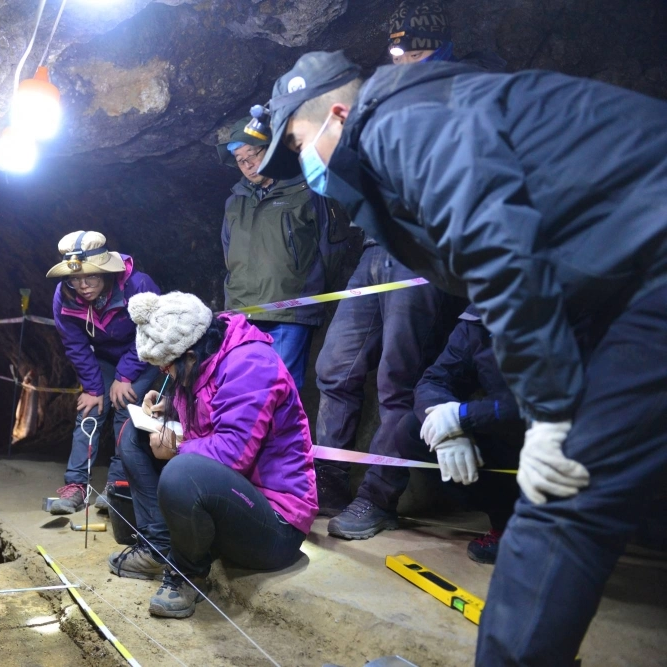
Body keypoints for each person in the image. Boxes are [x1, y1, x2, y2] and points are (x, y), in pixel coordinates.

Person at [258, 49, 667, 667]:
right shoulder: (433, 110)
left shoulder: (400, 122)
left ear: (337, 115)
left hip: (652, 260)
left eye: (298, 140)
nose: (302, 161)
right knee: (574, 499)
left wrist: (552, 417)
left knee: (563, 497)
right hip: (632, 269)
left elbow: (499, 245)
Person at [259, 55, 462, 535]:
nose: (300, 151)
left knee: (399, 380)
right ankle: (328, 478)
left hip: (416, 256)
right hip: (374, 250)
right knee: (334, 367)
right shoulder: (357, 150)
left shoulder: (407, 120)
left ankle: (379, 498)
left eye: (296, 139)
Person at [109, 291, 317, 619]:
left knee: (181, 471)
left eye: (168, 367)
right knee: (135, 434)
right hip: (234, 498)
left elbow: (232, 454)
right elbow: (209, 416)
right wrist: (170, 412)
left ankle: (188, 573)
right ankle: (158, 547)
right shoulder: (207, 358)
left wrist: (175, 445)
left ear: (190, 355)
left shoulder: (250, 364)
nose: (166, 374)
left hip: (275, 524)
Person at [216, 116, 352, 390]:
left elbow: (333, 248)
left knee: (281, 393)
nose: (248, 164)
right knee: (242, 393)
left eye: (253, 154)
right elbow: (228, 253)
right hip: (242, 315)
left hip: (289, 313)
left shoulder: (308, 190)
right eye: (240, 160)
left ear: (273, 149)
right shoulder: (234, 203)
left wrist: (308, 292)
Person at [400, 305, 524, 564]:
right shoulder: (477, 321)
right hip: (510, 436)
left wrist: (463, 417)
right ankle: (508, 524)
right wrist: (448, 429)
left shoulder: (570, 310)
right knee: (412, 431)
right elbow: (434, 380)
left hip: (568, 440)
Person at [47, 231, 160, 514]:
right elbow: (75, 345)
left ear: (106, 272)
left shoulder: (138, 285)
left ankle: (117, 486)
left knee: (126, 408)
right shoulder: (65, 297)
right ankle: (76, 487)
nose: (82, 286)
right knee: (90, 410)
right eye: (74, 278)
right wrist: (94, 388)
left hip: (144, 354)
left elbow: (153, 332)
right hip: (105, 357)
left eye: (91, 278)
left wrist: (124, 377)